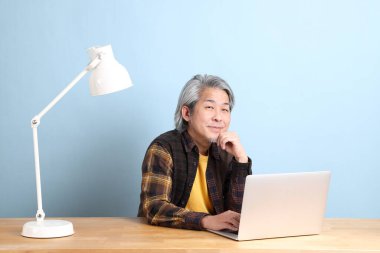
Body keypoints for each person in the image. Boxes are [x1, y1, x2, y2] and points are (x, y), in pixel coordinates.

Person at [138, 74, 252, 231]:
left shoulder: (228, 152)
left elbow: (239, 216)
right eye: (209, 107)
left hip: (215, 241)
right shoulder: (164, 148)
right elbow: (154, 207)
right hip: (167, 239)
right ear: (187, 113)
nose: (219, 117)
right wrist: (205, 221)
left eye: (224, 109)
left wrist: (241, 160)